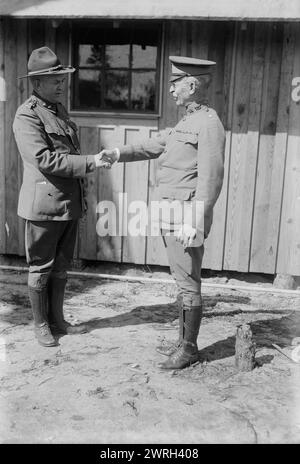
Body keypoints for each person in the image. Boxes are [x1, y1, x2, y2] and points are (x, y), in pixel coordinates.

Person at [99, 56, 225, 369]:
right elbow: (154, 145)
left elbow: (211, 178)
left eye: (175, 83)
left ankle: (189, 348)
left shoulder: (209, 123)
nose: (169, 89)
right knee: (180, 278)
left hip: (186, 218)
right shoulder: (188, 121)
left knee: (187, 283)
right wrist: (117, 153)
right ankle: (184, 341)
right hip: (172, 214)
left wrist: (196, 220)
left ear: (192, 85)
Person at [13, 47, 107, 347]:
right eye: (55, 79)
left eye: (62, 78)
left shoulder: (58, 110)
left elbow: (68, 152)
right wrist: (91, 162)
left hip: (68, 205)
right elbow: (46, 160)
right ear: (37, 83)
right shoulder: (26, 116)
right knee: (40, 267)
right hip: (43, 206)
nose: (61, 84)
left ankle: (58, 320)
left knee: (62, 267)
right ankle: (41, 325)